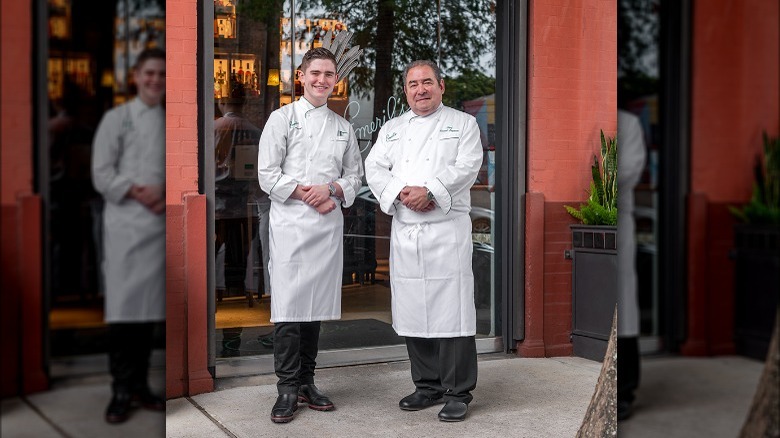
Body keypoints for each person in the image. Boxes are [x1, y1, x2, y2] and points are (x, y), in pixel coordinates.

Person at [364, 59, 483, 422]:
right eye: (413, 84)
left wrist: (430, 190)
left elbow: (468, 165)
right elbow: (374, 167)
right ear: (406, 91)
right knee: (413, 309)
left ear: (441, 86)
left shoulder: (464, 125)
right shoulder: (393, 128)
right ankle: (427, 385)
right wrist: (401, 191)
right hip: (407, 230)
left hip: (446, 230)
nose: (421, 90)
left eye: (427, 82)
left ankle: (458, 391)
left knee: (453, 312)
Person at [256, 47, 363, 424]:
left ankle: (306, 382)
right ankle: (285, 388)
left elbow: (354, 177)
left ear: (336, 79)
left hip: (325, 227)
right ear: (301, 76)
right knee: (288, 308)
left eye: (329, 74)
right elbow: (267, 174)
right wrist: (307, 193)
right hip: (290, 227)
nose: (322, 80)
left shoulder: (343, 127)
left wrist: (332, 189)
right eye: (315, 73)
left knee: (314, 308)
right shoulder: (281, 119)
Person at [91, 47, 166, 424]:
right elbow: (100, 173)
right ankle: (121, 388)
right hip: (124, 226)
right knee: (123, 315)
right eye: (149, 73)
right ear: (137, 76)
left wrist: (164, 190)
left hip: (158, 229)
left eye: (162, 74)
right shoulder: (116, 119)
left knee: (148, 314)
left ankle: (141, 386)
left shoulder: (171, 122)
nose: (155, 80)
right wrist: (140, 191)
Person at [213, 89, 269, 307]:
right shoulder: (255, 131)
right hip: (244, 203)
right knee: (244, 253)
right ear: (244, 102)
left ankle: (214, 293)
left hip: (218, 204)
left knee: (215, 250)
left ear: (222, 102)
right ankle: (249, 291)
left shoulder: (212, 128)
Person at [616, 108, 648, 421]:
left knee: (624, 306)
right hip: (591, 213)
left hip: (619, 218)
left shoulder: (627, 123)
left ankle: (624, 389)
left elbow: (630, 170)